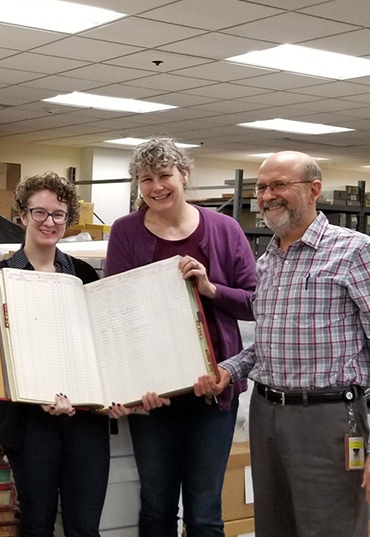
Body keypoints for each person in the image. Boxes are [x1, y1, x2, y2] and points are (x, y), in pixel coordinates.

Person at [195, 151, 370, 537]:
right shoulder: (268, 261)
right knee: (274, 528)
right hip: (268, 414)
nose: (267, 196)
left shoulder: (355, 252)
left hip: (330, 422)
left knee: (330, 529)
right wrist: (228, 371)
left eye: (279, 185)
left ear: (314, 190)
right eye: (262, 187)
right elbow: (268, 339)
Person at [105, 138, 256, 537]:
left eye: (165, 175)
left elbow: (257, 303)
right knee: (156, 504)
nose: (156, 187)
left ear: (185, 176)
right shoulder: (125, 231)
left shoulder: (225, 229)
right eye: (146, 179)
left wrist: (211, 289)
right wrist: (134, 385)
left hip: (213, 390)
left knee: (204, 511)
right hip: (154, 394)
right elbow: (114, 311)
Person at [0, 172, 110, 537]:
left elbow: (97, 345)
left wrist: (100, 396)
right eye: (39, 213)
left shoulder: (84, 274)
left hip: (84, 420)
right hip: (29, 421)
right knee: (37, 523)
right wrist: (39, 393)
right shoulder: (1, 276)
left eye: (58, 214)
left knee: (84, 527)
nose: (49, 222)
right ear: (22, 215)